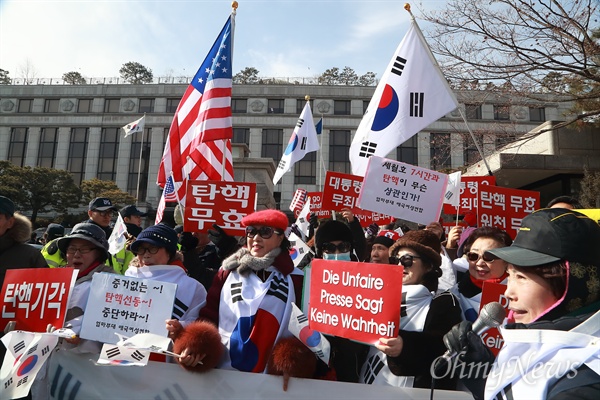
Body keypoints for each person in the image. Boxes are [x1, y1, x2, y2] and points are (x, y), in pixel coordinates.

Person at [442, 208, 600, 399]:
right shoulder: (534, 340)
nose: (508, 292)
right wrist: (480, 371)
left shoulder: (585, 381)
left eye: (522, 277)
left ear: (571, 283)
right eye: (510, 275)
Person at [172, 210, 310, 383]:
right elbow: (210, 317)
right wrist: (195, 348)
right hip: (224, 375)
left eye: (265, 232)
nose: (256, 238)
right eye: (251, 231)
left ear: (280, 237)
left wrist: (293, 361)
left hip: (272, 380)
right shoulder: (227, 272)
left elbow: (306, 328)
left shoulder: (296, 278)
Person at [359, 230, 462, 389]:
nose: (400, 265)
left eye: (407, 259)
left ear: (428, 266)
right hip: (368, 383)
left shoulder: (443, 302)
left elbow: (444, 350)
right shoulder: (377, 294)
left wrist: (405, 346)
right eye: (396, 260)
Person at [126, 224, 207, 333]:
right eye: (141, 249)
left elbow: (200, 323)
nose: (146, 255)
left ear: (169, 253)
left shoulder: (191, 287)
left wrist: (180, 327)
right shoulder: (125, 280)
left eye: (153, 248)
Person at [53, 223, 115, 343]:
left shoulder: (111, 284)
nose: (76, 254)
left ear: (98, 254)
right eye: (72, 249)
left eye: (84, 249)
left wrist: (83, 336)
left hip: (89, 360)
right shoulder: (55, 280)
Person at [451, 226, 512, 322]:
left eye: (488, 256)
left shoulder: (519, 295)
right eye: (473, 256)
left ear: (505, 260)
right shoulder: (453, 297)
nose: (479, 263)